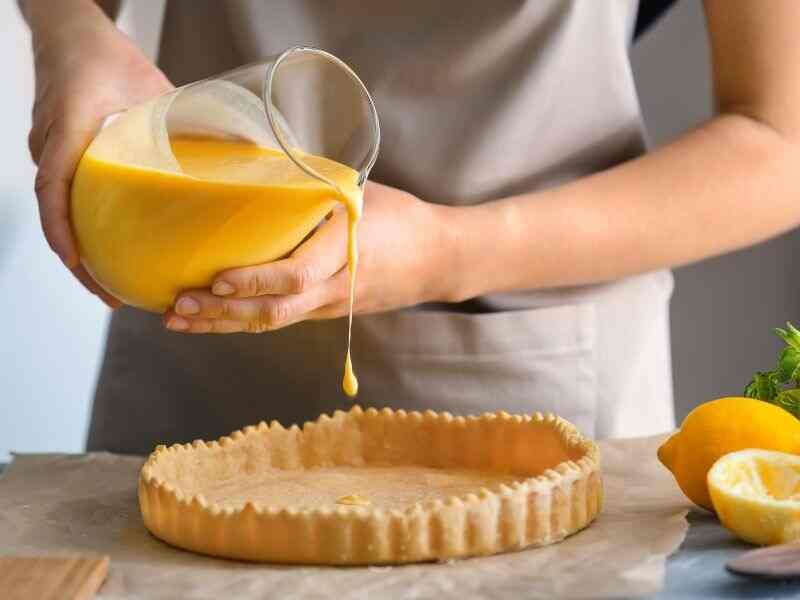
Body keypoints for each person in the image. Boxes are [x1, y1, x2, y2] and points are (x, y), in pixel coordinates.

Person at [19, 0, 800, 453]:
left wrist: (447, 251)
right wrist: (72, 37)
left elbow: (781, 140)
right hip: (194, 365)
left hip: (526, 386)